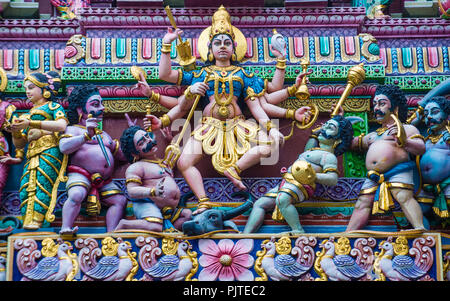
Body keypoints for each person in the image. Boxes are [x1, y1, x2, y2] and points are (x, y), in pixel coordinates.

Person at [155, 5, 311, 214]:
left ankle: (235, 169)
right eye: (217, 43)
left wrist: (281, 61)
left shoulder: (242, 74)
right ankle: (203, 200)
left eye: (227, 43)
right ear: (209, 49)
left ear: (234, 47)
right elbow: (165, 75)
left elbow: (261, 100)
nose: (222, 46)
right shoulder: (201, 73)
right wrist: (166, 45)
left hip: (238, 125)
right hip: (208, 126)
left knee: (269, 145)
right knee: (184, 161)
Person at [243, 115, 355, 233]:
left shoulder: (328, 156)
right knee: (260, 203)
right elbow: (307, 150)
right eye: (325, 125)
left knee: (282, 200)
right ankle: (246, 234)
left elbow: (333, 179)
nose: (323, 128)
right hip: (287, 181)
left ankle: (297, 229)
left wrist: (312, 176)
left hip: (301, 185)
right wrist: (315, 133)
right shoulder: (314, 151)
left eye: (330, 128)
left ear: (338, 139)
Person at [346, 84, 426, 231]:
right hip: (373, 176)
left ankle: (419, 228)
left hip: (398, 171)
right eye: (375, 104)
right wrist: (340, 122)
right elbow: (350, 144)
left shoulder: (407, 129)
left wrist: (404, 140)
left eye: (382, 104)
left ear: (395, 108)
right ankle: (348, 233)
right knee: (362, 202)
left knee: (403, 197)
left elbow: (421, 148)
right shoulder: (373, 135)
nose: (376, 108)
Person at [58, 84, 127, 234]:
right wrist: (86, 136)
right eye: (95, 104)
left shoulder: (104, 134)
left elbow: (121, 155)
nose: (101, 108)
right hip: (80, 174)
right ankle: (66, 228)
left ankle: (111, 233)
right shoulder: (74, 129)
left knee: (120, 201)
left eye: (101, 104)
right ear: (79, 110)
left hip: (105, 181)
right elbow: (64, 147)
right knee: (76, 194)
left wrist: (132, 136)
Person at [10, 71, 68, 230]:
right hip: (31, 155)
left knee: (42, 184)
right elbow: (20, 144)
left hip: (49, 152)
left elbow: (62, 126)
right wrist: (15, 131)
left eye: (31, 87)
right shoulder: (26, 115)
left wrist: (33, 125)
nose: (27, 91)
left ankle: (37, 222)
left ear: (44, 89)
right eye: (25, 89)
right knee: (25, 188)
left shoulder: (53, 107)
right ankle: (27, 221)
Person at [115, 119, 191, 232]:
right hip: (147, 204)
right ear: (134, 153)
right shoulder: (137, 167)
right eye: (142, 143)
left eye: (147, 137)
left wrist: (170, 141)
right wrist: (152, 191)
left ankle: (167, 231)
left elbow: (175, 156)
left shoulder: (162, 163)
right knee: (155, 225)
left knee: (188, 215)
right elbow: (131, 190)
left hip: (169, 209)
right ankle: (124, 225)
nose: (148, 141)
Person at [414, 96, 449, 222]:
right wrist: (413, 124)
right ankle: (424, 238)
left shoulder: (448, 137)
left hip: (447, 185)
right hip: (425, 188)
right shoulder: (424, 139)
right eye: (426, 114)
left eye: (434, 112)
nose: (429, 117)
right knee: (415, 212)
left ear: (447, 117)